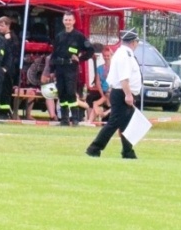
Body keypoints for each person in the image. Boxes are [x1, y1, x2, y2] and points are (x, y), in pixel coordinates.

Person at [86, 30, 142, 159]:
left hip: (122, 92)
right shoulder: (125, 55)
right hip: (122, 93)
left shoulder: (122, 53)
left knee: (126, 124)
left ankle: (128, 151)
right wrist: (128, 95)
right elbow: (124, 78)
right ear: (133, 42)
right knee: (114, 123)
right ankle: (94, 148)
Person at [51, 12, 92, 126]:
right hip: (59, 68)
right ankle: (64, 119)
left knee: (70, 92)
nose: (67, 22)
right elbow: (54, 54)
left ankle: (75, 118)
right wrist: (51, 70)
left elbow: (90, 50)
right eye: (66, 20)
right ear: (63, 21)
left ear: (73, 21)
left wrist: (81, 58)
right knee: (62, 93)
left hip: (71, 68)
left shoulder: (79, 36)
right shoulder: (59, 36)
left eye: (69, 20)